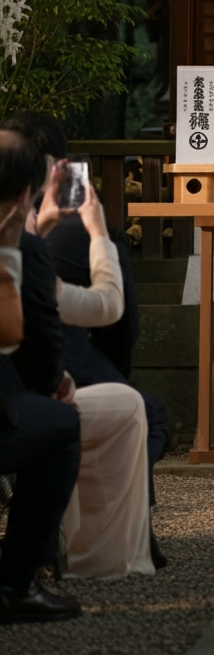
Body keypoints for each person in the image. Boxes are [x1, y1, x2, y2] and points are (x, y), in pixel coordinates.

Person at [2, 111, 167, 568]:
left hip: (20, 388)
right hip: (11, 406)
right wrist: (97, 233)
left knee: (118, 406)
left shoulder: (29, 250)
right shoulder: (29, 254)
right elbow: (107, 308)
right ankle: (27, 573)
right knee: (71, 420)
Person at [0, 128, 82, 622]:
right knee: (59, 424)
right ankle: (14, 584)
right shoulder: (20, 250)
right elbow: (25, 340)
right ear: (24, 194)